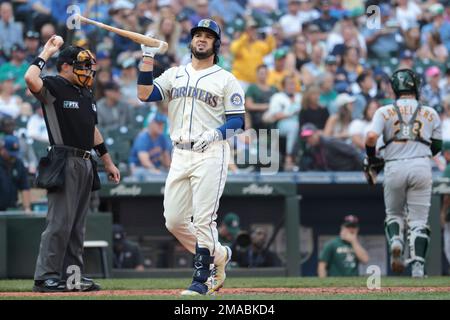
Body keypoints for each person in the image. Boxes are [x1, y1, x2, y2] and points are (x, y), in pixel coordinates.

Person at [137, 19, 245, 295]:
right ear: (191, 41)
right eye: (198, 35)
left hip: (210, 152)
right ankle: (219, 255)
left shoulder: (225, 78)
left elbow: (237, 121)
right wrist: (147, 57)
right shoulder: (175, 74)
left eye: (208, 36)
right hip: (180, 153)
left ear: (215, 44)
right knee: (173, 220)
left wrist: (215, 134)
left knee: (204, 219)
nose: (201, 39)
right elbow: (145, 93)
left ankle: (202, 278)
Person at [25, 35, 121, 292]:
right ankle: (45, 277)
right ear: (65, 66)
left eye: (89, 66)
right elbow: (30, 79)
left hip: (86, 161)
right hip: (64, 158)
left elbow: (92, 130)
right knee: (60, 223)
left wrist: (107, 162)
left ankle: (71, 277)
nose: (87, 70)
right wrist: (46, 52)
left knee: (77, 226)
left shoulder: (86, 93)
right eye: (81, 65)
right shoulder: (54, 85)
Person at [365, 68, 442, 277]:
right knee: (418, 221)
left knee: (394, 214)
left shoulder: (383, 111)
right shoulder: (431, 112)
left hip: (394, 165)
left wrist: (371, 158)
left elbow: (371, 137)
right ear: (415, 86)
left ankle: (397, 241)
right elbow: (436, 148)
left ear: (394, 88)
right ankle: (417, 267)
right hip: (421, 166)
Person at [297, 123, 363, 171]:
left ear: (317, 133)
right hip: (334, 176)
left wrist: (364, 170)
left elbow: (354, 152)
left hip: (351, 172)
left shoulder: (330, 142)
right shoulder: (312, 149)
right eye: (306, 138)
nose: (308, 139)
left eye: (310, 136)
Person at [0, 135, 31, 212]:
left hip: (12, 209)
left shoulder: (19, 163)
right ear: (2, 149)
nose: (13, 156)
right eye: (10, 154)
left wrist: (27, 208)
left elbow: (25, 187)